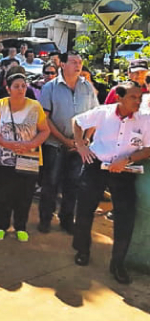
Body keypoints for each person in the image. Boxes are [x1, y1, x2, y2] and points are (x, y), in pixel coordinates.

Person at [71, 81, 150, 284]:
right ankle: (82, 250)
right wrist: (81, 145)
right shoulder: (103, 112)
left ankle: (118, 264)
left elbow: (148, 148)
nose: (138, 101)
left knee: (125, 218)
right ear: (119, 98)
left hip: (124, 172)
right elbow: (77, 122)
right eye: (133, 97)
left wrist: (127, 160)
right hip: (96, 167)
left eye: (140, 97)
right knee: (84, 210)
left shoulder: (145, 119)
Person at [0, 73, 50, 242]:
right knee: (3, 193)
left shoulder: (35, 106)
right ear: (8, 88)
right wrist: (6, 143)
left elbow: (45, 130)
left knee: (25, 193)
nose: (21, 89)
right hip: (4, 157)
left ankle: (21, 226)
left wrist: (31, 144)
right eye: (16, 86)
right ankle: (1, 225)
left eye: (23, 85)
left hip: (29, 157)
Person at [37, 52, 98, 234]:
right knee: (51, 184)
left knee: (73, 184)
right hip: (55, 145)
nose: (78, 65)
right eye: (73, 62)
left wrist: (85, 140)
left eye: (80, 62)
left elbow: (95, 116)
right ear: (62, 64)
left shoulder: (87, 87)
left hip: (79, 147)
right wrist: (65, 140)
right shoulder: (50, 88)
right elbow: (45, 118)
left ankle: (66, 219)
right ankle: (45, 219)